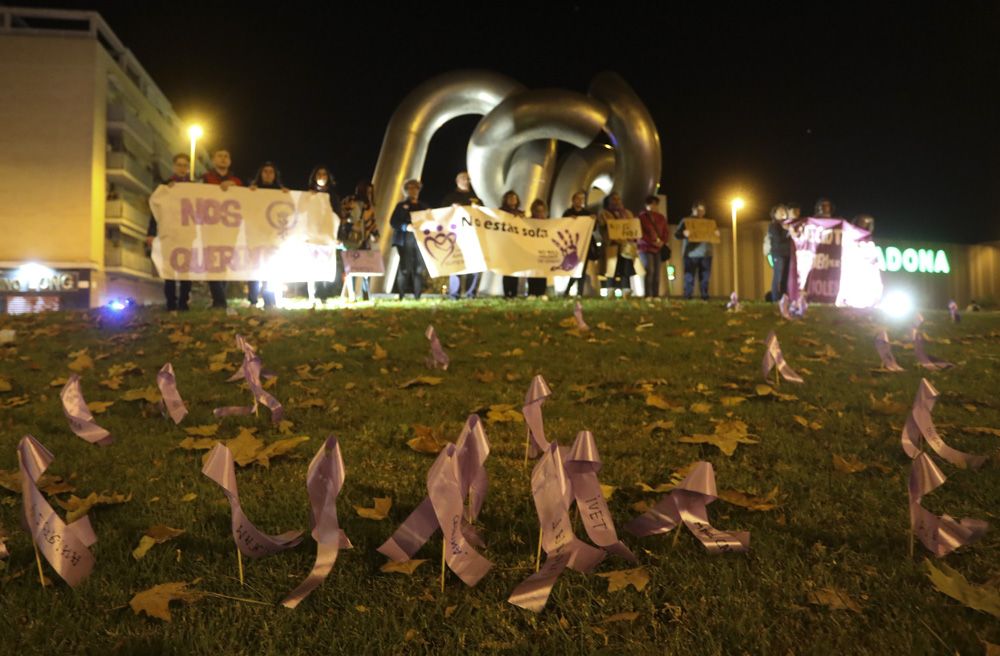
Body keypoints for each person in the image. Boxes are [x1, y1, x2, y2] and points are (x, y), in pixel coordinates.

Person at [146, 153, 193, 310]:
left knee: (186, 270)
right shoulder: (164, 187)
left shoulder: (195, 188)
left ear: (188, 168)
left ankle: (183, 303)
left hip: (187, 235)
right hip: (169, 234)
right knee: (169, 270)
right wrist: (151, 233)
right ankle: (171, 304)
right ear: (174, 167)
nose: (182, 168)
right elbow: (155, 212)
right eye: (179, 165)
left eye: (185, 165)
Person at [201, 149, 244, 308]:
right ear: (213, 160)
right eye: (220, 156)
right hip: (210, 227)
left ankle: (219, 300)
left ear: (230, 161)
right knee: (212, 263)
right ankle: (219, 300)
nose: (223, 159)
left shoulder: (237, 182)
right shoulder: (205, 179)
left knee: (225, 262)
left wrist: (235, 188)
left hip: (229, 228)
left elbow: (246, 199)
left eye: (226, 156)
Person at [245, 162, 289, 308]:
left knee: (269, 268)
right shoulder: (253, 190)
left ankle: (269, 300)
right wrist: (249, 192)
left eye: (271, 172)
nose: (268, 174)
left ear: (275, 175)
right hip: (255, 234)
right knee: (254, 267)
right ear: (261, 173)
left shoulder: (280, 192)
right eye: (265, 171)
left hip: (271, 236)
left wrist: (286, 195)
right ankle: (252, 299)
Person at [441, 171, 482, 300]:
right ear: (458, 181)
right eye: (465, 178)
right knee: (456, 264)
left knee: (475, 264)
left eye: (469, 179)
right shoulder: (451, 197)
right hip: (456, 237)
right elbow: (442, 214)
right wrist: (451, 208)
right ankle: (455, 294)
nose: (467, 181)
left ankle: (471, 294)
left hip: (474, 237)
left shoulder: (476, 198)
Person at [390, 179, 430, 300]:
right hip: (404, 239)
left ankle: (417, 296)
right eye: (410, 188)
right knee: (405, 268)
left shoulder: (424, 207)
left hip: (421, 240)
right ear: (406, 190)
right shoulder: (400, 206)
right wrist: (406, 226)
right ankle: (401, 295)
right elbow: (393, 222)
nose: (413, 191)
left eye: (416, 188)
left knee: (418, 268)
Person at [308, 165, 343, 301]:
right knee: (312, 265)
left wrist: (337, 235)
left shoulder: (333, 196)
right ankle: (313, 294)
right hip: (312, 236)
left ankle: (323, 294)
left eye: (324, 174)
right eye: (319, 174)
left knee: (325, 263)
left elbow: (337, 215)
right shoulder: (308, 194)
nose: (321, 177)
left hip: (327, 236)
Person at [599, 192, 636, 297]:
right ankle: (610, 290)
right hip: (612, 244)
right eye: (614, 199)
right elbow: (602, 226)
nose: (617, 201)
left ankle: (626, 290)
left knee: (626, 268)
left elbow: (632, 226)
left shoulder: (627, 213)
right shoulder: (605, 213)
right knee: (611, 268)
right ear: (609, 201)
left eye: (618, 199)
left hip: (625, 245)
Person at [675, 201, 714, 300]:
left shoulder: (708, 223)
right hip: (690, 254)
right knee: (689, 276)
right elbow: (676, 234)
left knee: (705, 277)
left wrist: (716, 234)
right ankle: (688, 295)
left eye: (703, 210)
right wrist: (684, 234)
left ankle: (704, 296)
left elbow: (713, 235)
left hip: (706, 253)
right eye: (699, 210)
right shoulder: (686, 221)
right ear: (693, 210)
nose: (701, 212)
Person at [562, 190, 598, 297]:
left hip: (585, 245)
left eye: (582, 199)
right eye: (578, 199)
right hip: (572, 247)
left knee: (582, 269)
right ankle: (570, 291)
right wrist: (569, 220)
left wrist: (593, 220)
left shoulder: (587, 214)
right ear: (573, 200)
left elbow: (593, 229)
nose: (580, 201)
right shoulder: (567, 213)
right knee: (575, 269)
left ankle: (578, 292)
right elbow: (562, 226)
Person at [637, 195, 669, 298]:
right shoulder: (641, 217)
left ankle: (655, 295)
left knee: (657, 273)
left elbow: (665, 231)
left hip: (657, 249)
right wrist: (651, 241)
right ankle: (648, 295)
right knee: (649, 271)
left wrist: (662, 241)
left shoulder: (661, 217)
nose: (654, 206)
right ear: (647, 205)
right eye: (652, 204)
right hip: (645, 248)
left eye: (656, 204)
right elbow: (640, 233)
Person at [499, 190, 525, 298]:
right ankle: (506, 293)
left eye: (514, 198)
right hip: (506, 244)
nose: (512, 200)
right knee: (506, 269)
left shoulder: (520, 213)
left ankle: (514, 293)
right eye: (510, 198)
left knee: (515, 269)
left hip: (517, 244)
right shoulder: (501, 212)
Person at [767, 204, 791, 302]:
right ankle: (775, 298)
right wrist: (787, 231)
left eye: (784, 211)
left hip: (788, 254)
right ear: (774, 214)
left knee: (786, 277)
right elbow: (778, 239)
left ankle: (784, 298)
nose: (783, 213)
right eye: (780, 211)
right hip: (778, 254)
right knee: (778, 276)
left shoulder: (789, 225)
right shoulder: (773, 225)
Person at [526, 199, 549, 296]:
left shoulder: (548, 223)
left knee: (542, 272)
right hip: (531, 251)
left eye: (542, 211)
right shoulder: (528, 222)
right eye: (538, 211)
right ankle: (531, 293)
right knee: (532, 272)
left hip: (543, 252)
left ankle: (542, 292)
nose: (540, 214)